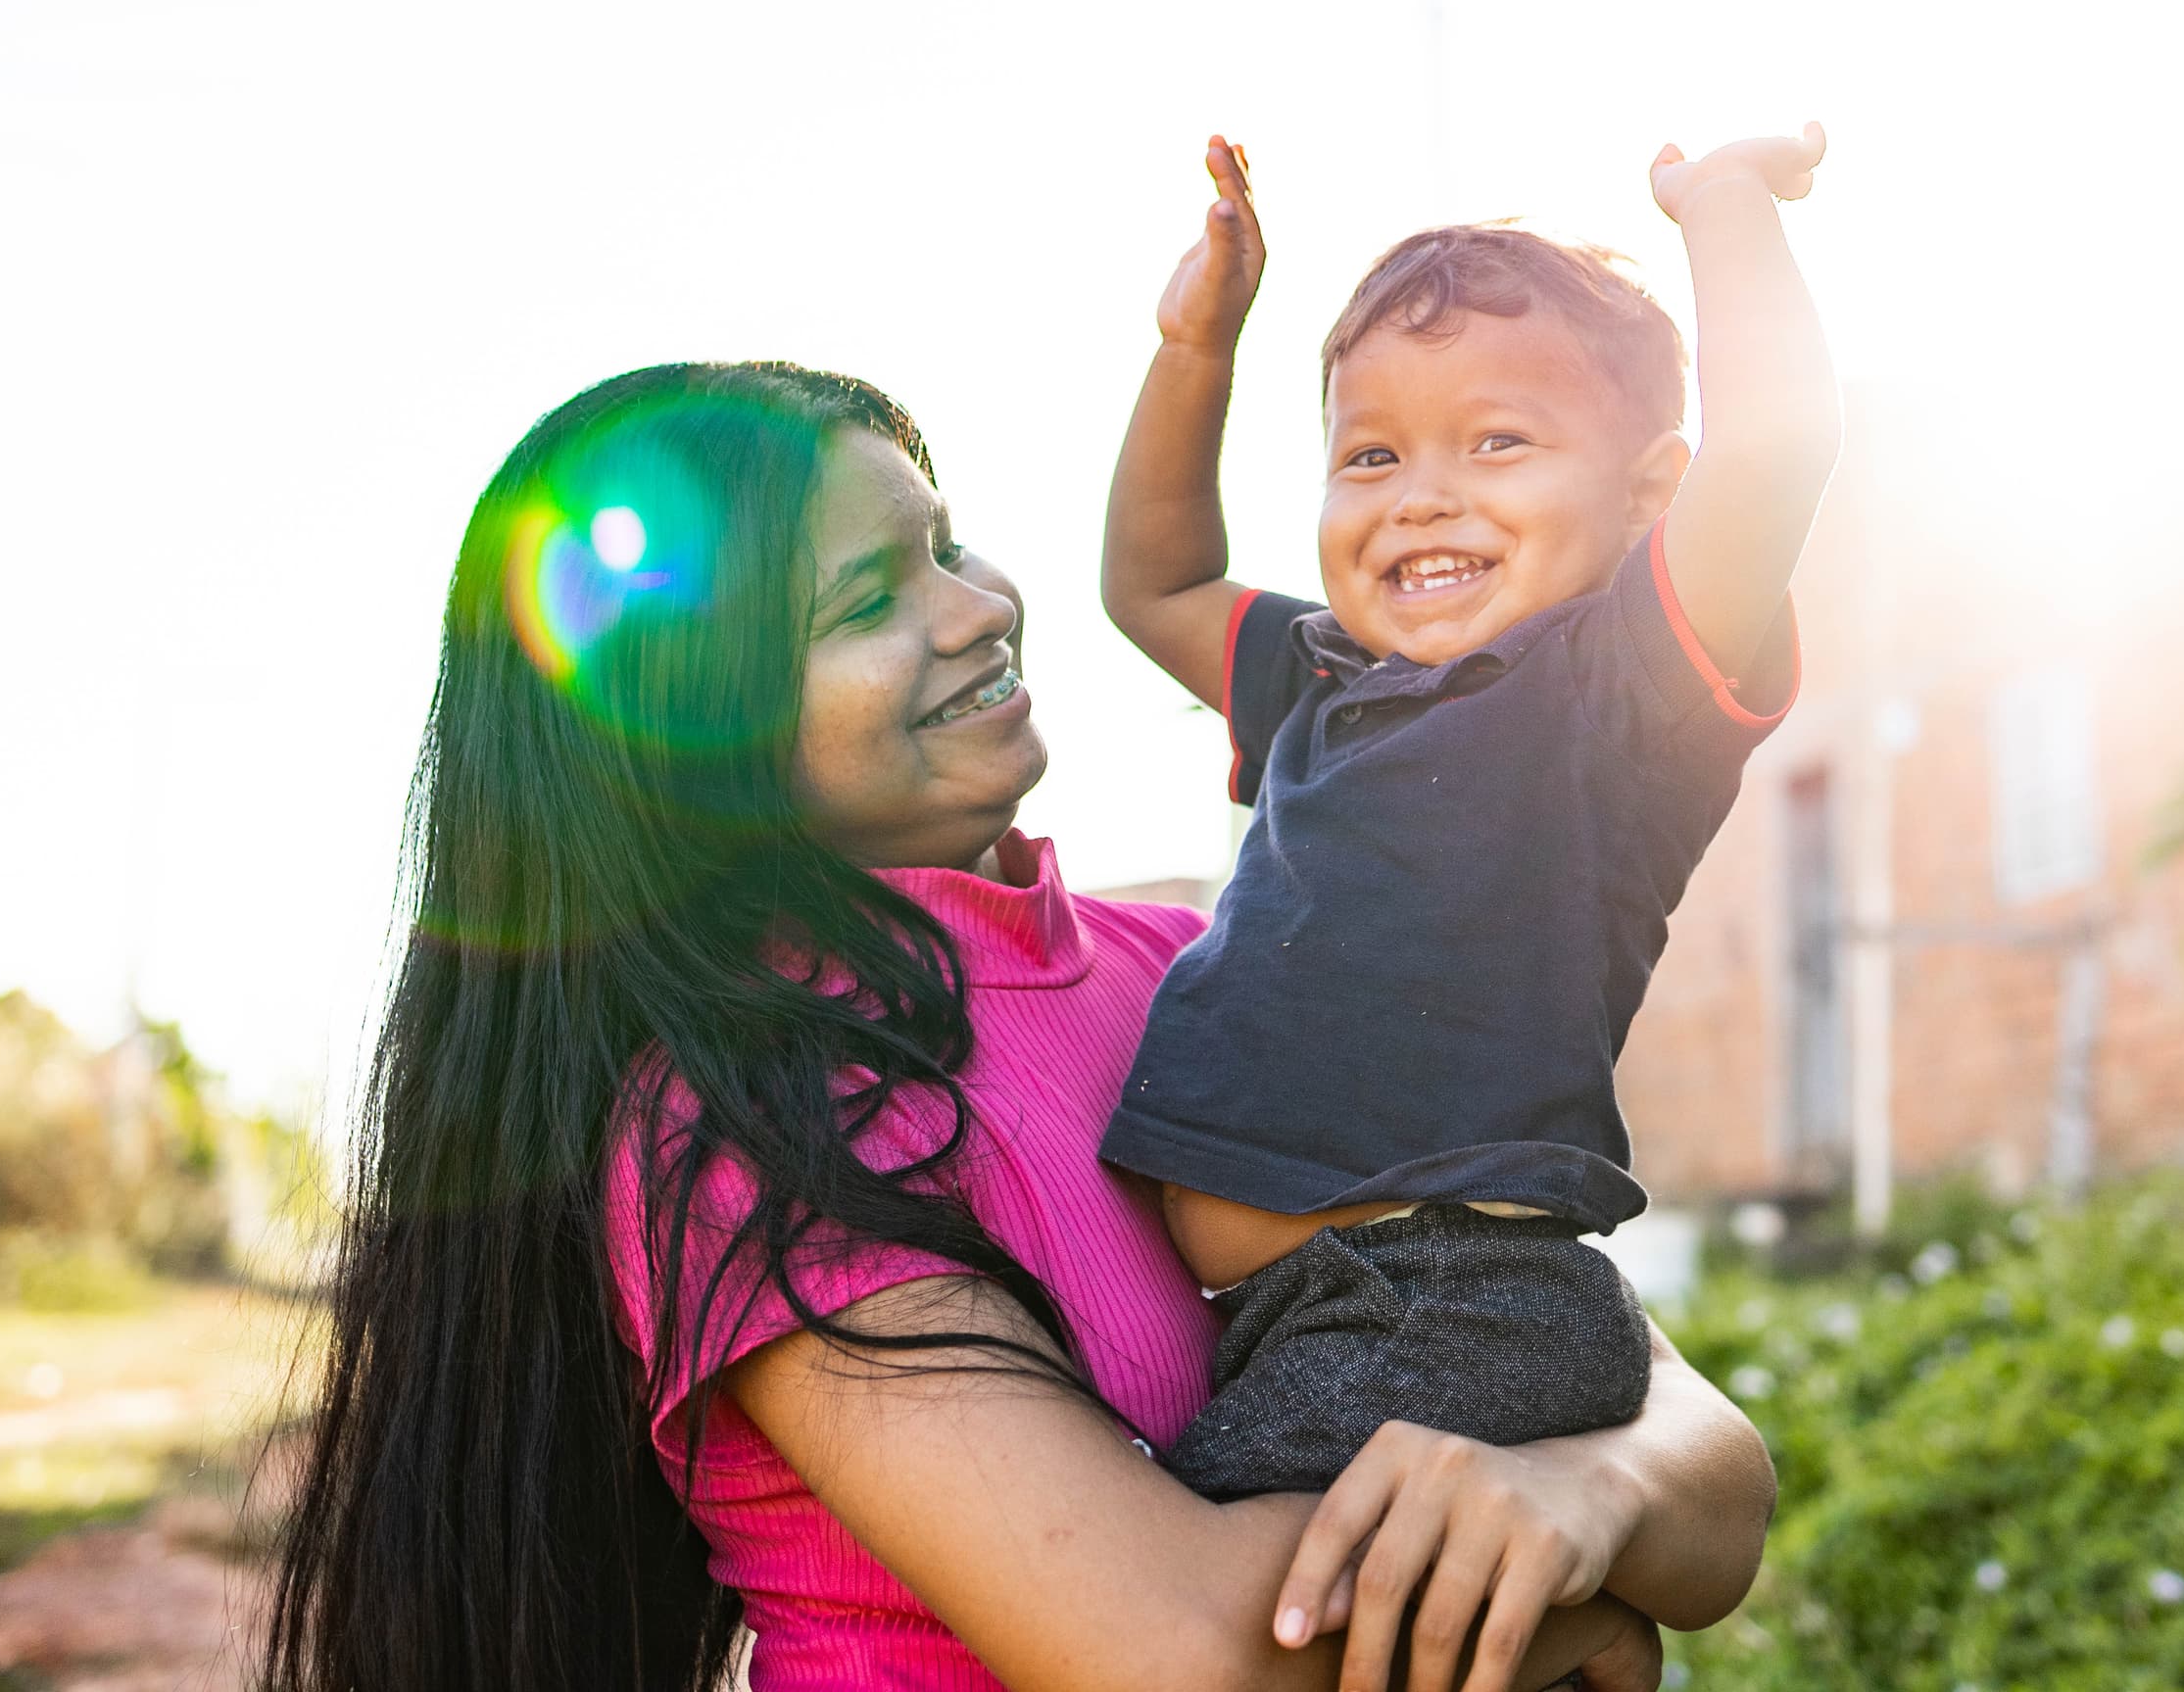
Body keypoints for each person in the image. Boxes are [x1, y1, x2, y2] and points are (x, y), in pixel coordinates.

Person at [262, 360, 1773, 1692]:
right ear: (694, 732)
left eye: (944, 543)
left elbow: (1689, 1443)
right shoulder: (752, 1114)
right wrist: (1570, 1621)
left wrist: (1589, 1507)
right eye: (870, 601)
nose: (980, 607)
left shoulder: (1209, 969)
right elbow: (1176, 1655)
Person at [1099, 131, 1834, 1498]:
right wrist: (1198, 351)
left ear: (1649, 496)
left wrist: (1725, 206)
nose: (1424, 493)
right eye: (1369, 456)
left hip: (1445, 1303)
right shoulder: (1320, 681)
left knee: (1186, 1596)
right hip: (1302, 1319)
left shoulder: (1619, 687)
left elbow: (1778, 448)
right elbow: (1154, 585)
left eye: (1500, 441)